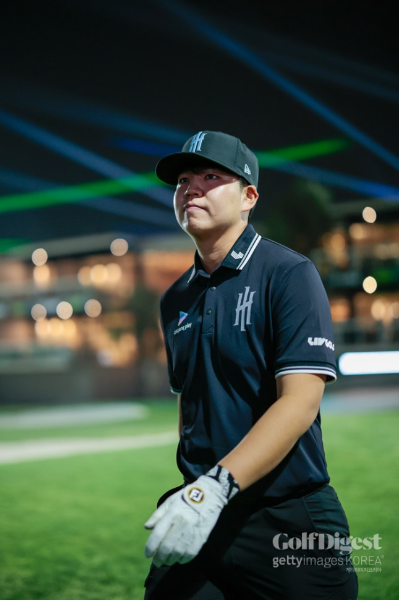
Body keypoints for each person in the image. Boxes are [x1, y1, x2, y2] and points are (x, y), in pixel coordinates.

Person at [143, 130, 358, 599]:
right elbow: (190, 404)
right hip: (202, 513)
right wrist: (196, 489)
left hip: (285, 515)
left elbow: (299, 404)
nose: (191, 189)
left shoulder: (289, 273)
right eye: (182, 180)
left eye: (210, 176)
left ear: (249, 197)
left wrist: (216, 486)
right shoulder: (174, 298)